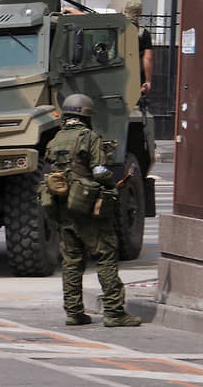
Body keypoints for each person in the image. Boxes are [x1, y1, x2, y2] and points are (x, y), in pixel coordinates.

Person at [43, 94, 141, 328]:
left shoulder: (55, 140)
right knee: (105, 256)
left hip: (63, 207)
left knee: (71, 261)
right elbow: (98, 171)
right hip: (87, 208)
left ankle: (74, 312)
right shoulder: (89, 137)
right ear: (87, 116)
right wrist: (112, 185)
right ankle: (114, 312)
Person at [123, 0, 154, 95]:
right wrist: (148, 81)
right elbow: (147, 58)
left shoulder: (114, 27)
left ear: (125, 9)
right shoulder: (143, 33)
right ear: (140, 12)